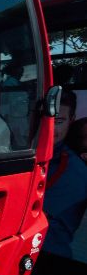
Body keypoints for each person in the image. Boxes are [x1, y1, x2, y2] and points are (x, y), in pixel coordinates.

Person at [43, 89, 87, 259]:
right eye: (46, 118)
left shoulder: (73, 171)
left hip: (48, 260)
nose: (50, 127)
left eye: (59, 121)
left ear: (71, 121)